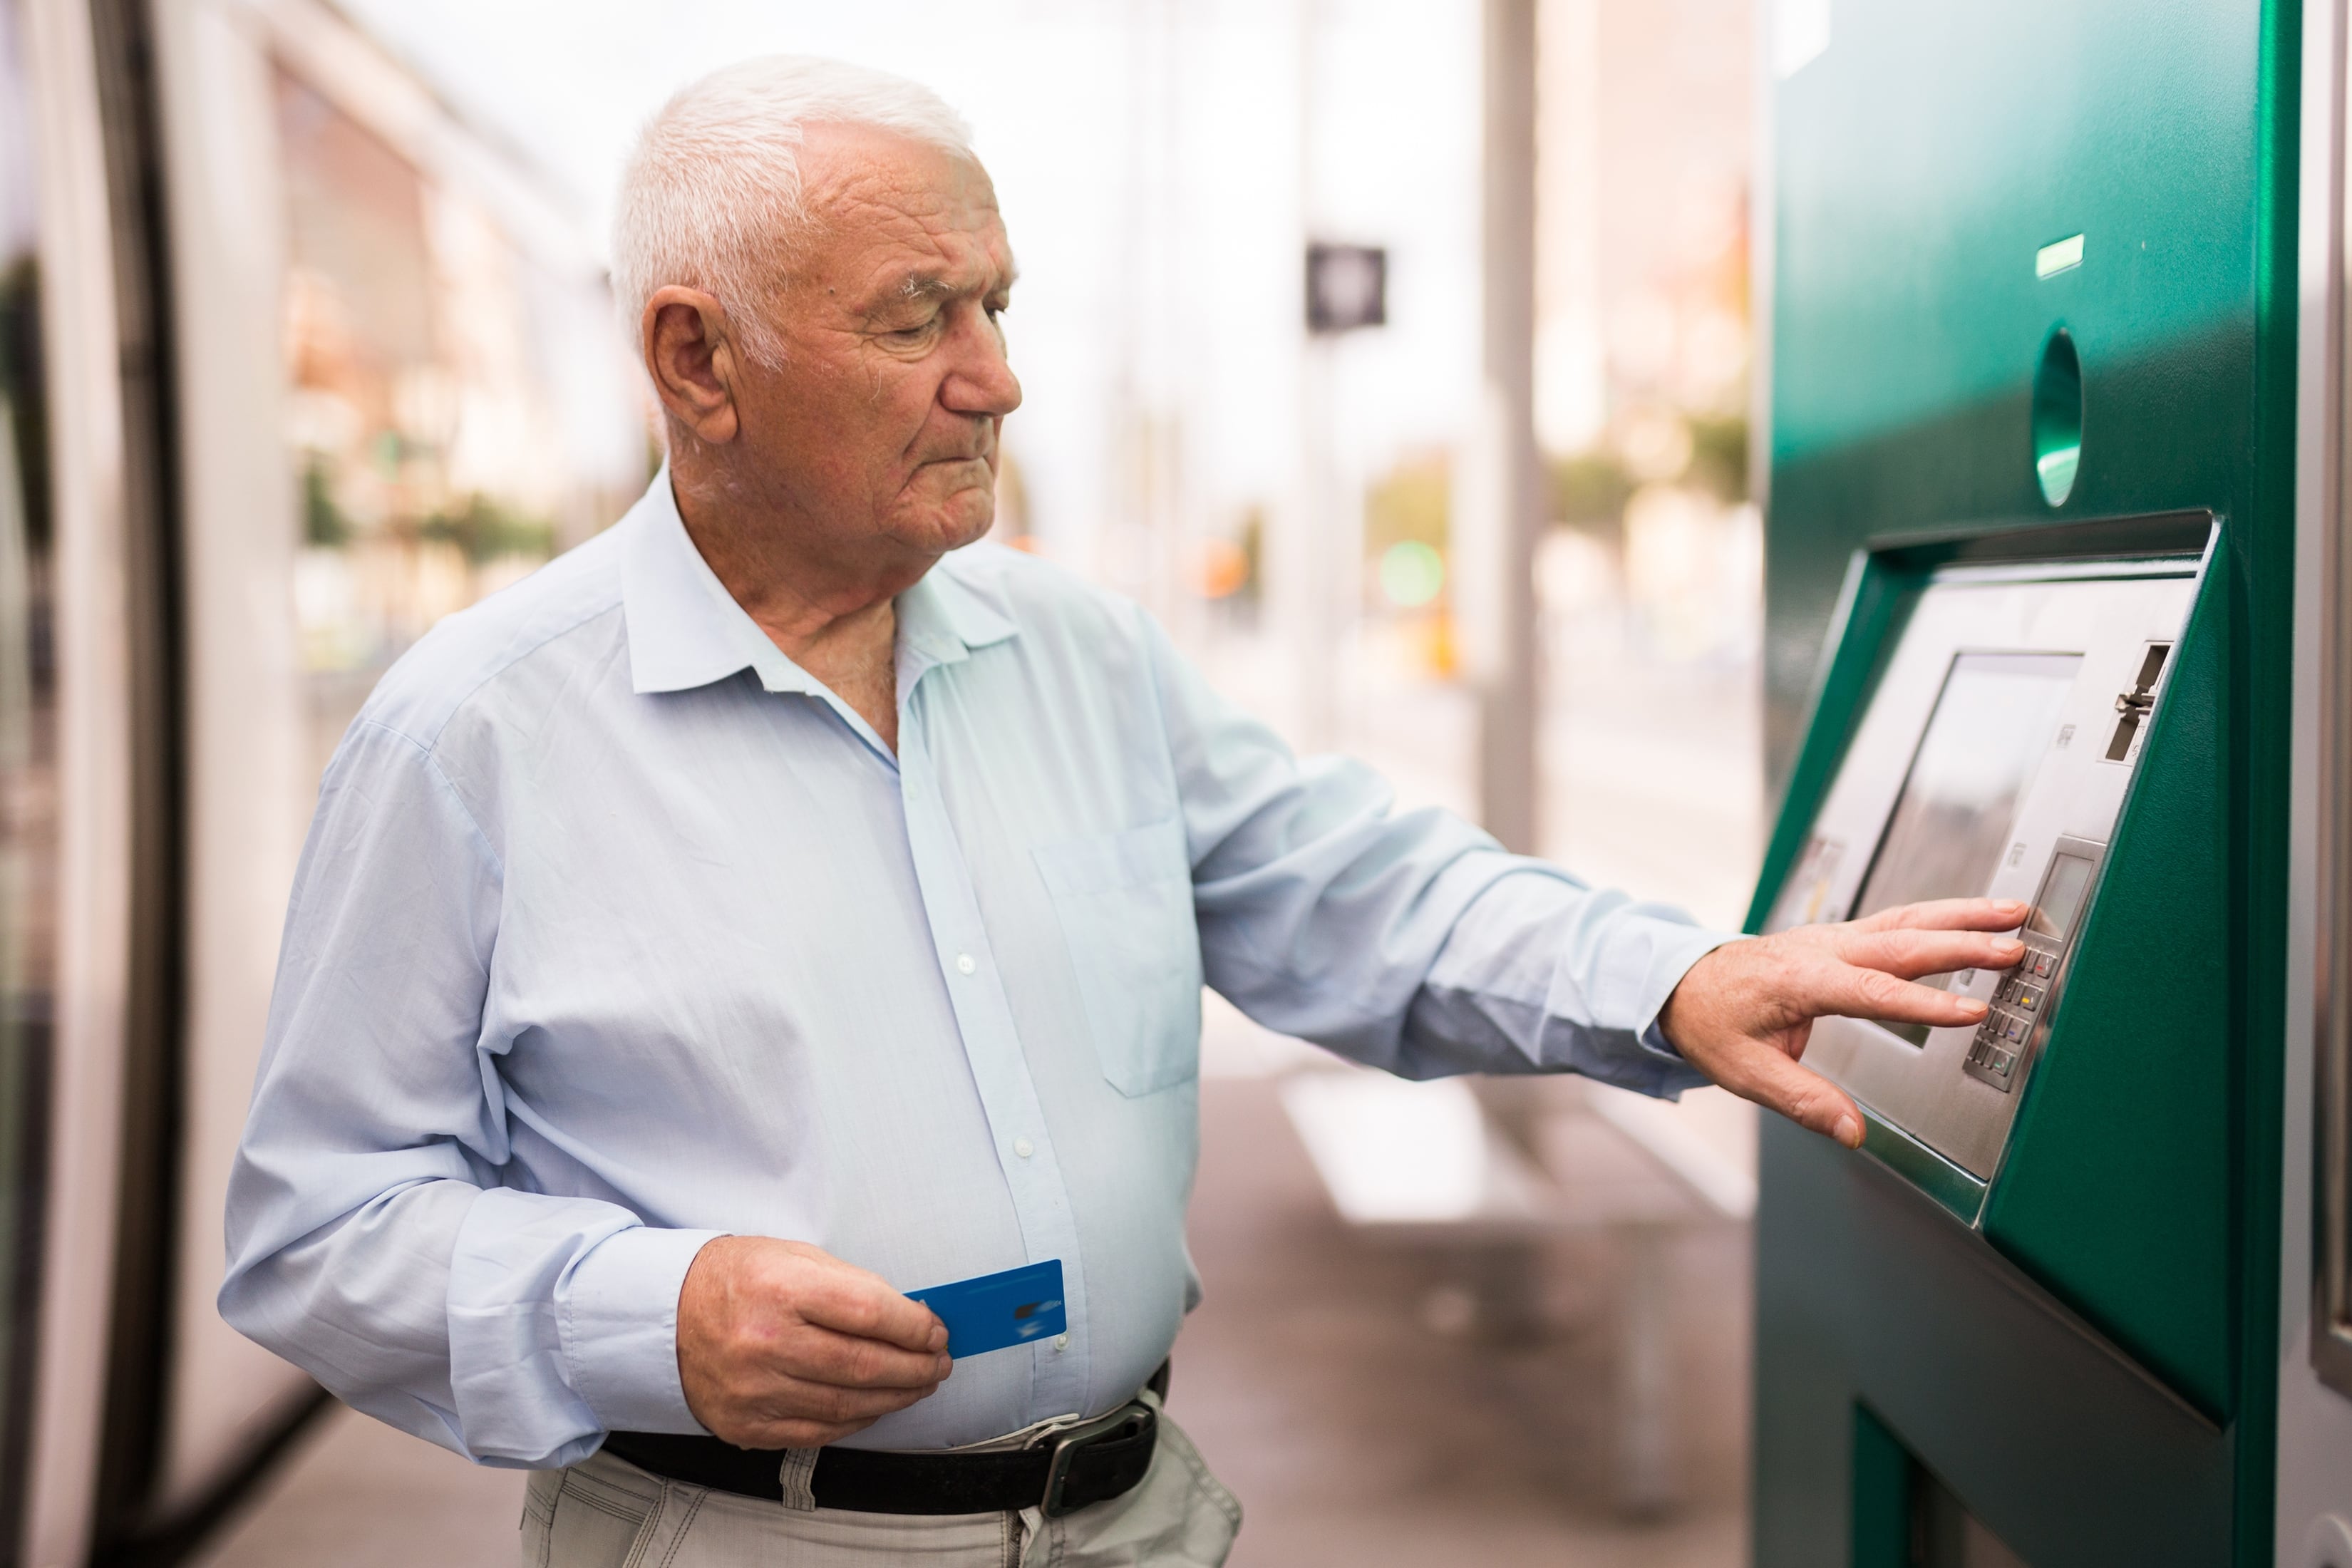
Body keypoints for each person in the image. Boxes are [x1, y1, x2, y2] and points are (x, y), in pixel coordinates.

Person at [219, 55, 2025, 1568]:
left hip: (1135, 1516)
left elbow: (1365, 892)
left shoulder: (1079, 653)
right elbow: (318, 1230)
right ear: (700, 362)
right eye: (918, 315)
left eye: (998, 303)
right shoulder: (472, 735)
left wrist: (1676, 978)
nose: (995, 374)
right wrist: (645, 1314)